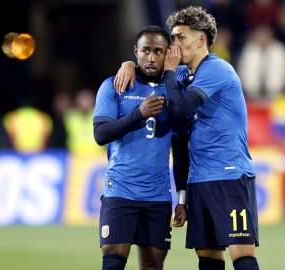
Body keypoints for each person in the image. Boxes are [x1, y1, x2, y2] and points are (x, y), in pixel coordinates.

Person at [115, 6, 259, 270]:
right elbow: (152, 70)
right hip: (199, 179)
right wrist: (129, 65)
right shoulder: (183, 74)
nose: (173, 45)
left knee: (243, 257)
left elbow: (181, 107)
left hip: (228, 175)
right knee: (208, 258)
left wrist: (169, 72)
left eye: (181, 37)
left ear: (201, 40)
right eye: (173, 37)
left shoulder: (218, 70)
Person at [93, 25, 189, 270]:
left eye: (159, 51)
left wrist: (182, 198)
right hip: (120, 190)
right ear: (136, 51)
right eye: (145, 50)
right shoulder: (115, 85)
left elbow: (180, 149)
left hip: (157, 196)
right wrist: (139, 113)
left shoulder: (177, 88)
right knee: (113, 262)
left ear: (168, 54)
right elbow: (101, 134)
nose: (151, 57)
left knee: (152, 265)